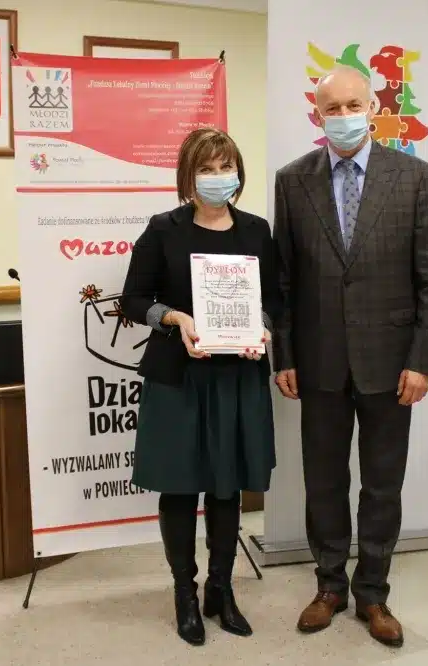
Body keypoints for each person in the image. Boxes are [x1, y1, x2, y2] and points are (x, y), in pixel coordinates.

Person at [271, 65, 428, 648]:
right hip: (318, 360)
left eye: (353, 105)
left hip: (391, 363)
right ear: (317, 115)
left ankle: (373, 592)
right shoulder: (293, 181)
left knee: (381, 485)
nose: (343, 116)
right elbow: (284, 281)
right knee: (323, 482)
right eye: (332, 108)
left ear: (373, 108)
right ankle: (329, 586)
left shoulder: (412, 176)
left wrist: (422, 360)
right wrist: (284, 356)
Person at [121, 128, 281, 646]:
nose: (218, 177)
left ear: (238, 172)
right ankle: (184, 594)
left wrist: (261, 327)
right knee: (180, 485)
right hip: (179, 376)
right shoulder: (163, 229)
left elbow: (274, 300)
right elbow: (132, 300)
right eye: (206, 169)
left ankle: (221, 590)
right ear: (188, 177)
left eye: (225, 167)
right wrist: (174, 318)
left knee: (226, 485)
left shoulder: (256, 231)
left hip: (237, 374)